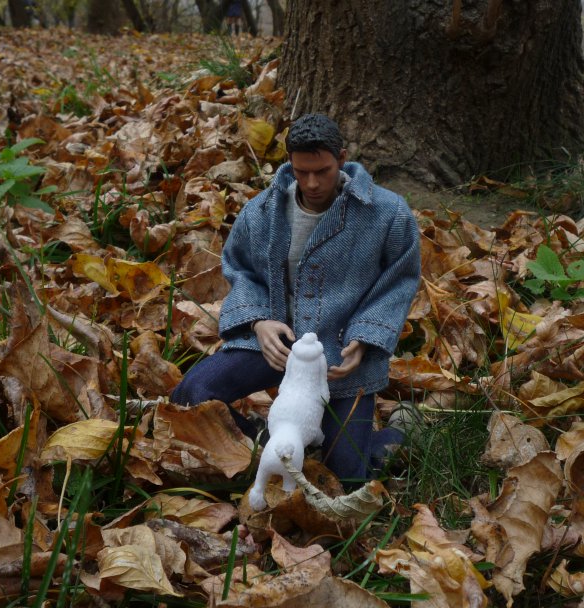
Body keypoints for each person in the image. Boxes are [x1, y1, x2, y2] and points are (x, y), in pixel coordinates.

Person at [170, 114, 421, 485]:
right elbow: (240, 267)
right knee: (193, 395)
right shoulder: (263, 211)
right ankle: (263, 444)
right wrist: (258, 320)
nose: (312, 182)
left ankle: (405, 430)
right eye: (301, 171)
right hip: (278, 344)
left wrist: (367, 337)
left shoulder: (387, 213)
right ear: (289, 163)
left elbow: (400, 279)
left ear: (343, 157)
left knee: (346, 475)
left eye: (323, 170)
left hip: (341, 355)